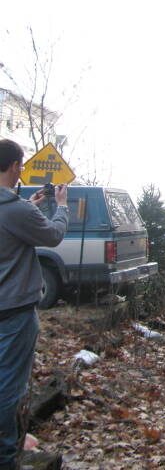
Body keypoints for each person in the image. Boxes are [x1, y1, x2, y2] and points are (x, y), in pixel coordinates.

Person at [0, 139, 68, 470]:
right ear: (14, 166)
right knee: (8, 387)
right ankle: (6, 458)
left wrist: (30, 205)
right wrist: (62, 206)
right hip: (13, 313)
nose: (23, 169)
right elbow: (52, 236)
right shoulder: (15, 210)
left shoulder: (15, 208)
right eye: (22, 164)